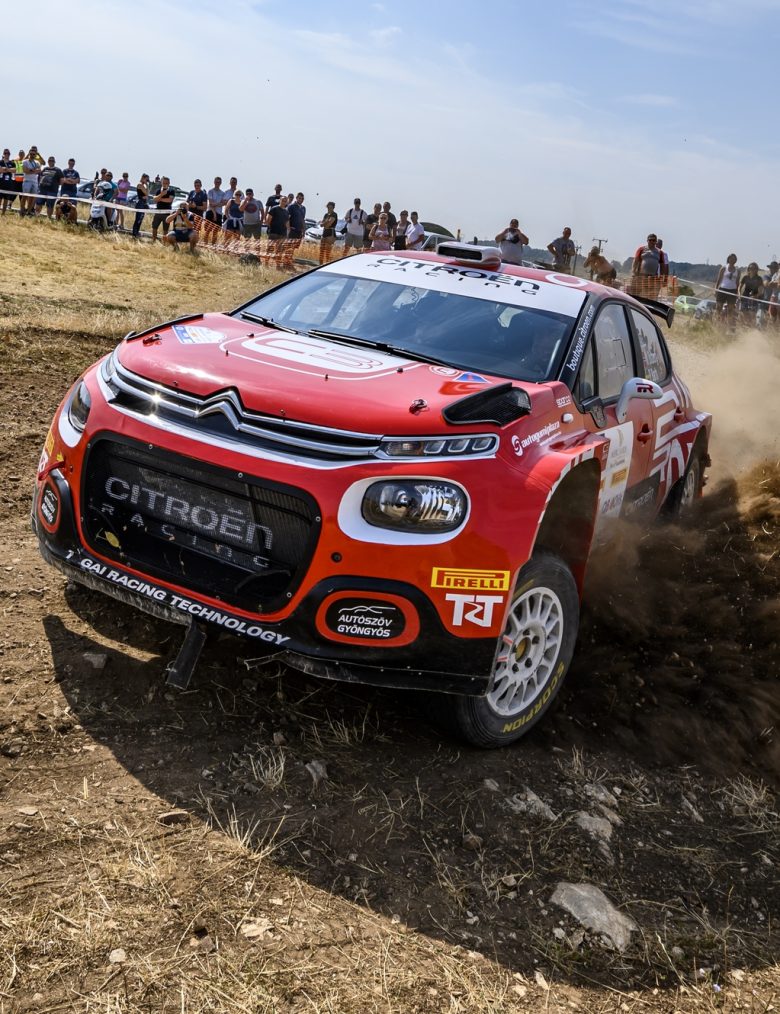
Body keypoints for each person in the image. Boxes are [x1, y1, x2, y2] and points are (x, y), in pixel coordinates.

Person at [631, 233, 663, 299]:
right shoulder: (641, 249)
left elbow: (662, 265)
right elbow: (635, 261)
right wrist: (633, 273)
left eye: (653, 240)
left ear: (656, 242)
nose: (651, 241)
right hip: (641, 276)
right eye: (650, 240)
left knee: (649, 296)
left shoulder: (660, 252)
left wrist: (662, 277)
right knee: (637, 295)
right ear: (647, 240)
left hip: (652, 277)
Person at [714, 254, 740, 323]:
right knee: (718, 307)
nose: (732, 260)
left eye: (734, 259)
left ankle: (729, 324)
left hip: (732, 290)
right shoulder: (723, 268)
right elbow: (718, 280)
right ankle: (716, 322)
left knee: (730, 309)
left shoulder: (738, 270)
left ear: (735, 260)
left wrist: (737, 293)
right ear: (728, 259)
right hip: (723, 289)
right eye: (731, 258)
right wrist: (716, 290)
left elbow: (737, 283)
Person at [266, 194, 290, 265]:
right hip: (273, 232)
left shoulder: (286, 211)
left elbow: (287, 223)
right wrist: (270, 228)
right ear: (279, 201)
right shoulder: (274, 208)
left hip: (282, 234)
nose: (284, 202)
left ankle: (278, 265)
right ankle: (266, 263)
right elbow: (268, 220)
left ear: (286, 202)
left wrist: (288, 232)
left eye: (285, 201)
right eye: (282, 200)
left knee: (280, 250)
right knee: (270, 248)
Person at [152, 176, 174, 241]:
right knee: (154, 227)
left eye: (166, 183)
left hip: (166, 213)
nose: (165, 184)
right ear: (161, 183)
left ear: (169, 183)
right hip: (158, 212)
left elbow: (170, 200)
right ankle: (153, 241)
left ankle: (164, 243)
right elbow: (155, 199)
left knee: (165, 229)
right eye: (163, 183)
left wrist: (160, 199)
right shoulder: (158, 190)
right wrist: (161, 195)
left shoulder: (171, 191)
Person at [286, 192, 306, 264]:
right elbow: (287, 218)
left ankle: (289, 259)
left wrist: (304, 231)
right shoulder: (291, 206)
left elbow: (302, 220)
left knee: (294, 247)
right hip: (292, 230)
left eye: (302, 198)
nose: (301, 200)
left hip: (299, 231)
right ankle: (286, 261)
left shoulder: (303, 208)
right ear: (296, 198)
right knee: (288, 246)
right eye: (299, 198)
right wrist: (288, 229)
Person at [20, 149, 41, 217]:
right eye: (31, 154)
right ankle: (22, 210)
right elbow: (25, 170)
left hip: (35, 182)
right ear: (29, 154)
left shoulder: (37, 162)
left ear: (35, 155)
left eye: (33, 154)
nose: (32, 155)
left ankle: (28, 212)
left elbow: (39, 170)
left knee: (32, 198)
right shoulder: (24, 161)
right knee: (24, 196)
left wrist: (31, 170)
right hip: (27, 181)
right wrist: (34, 170)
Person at [132, 173, 150, 238]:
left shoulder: (143, 185)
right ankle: (134, 233)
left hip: (143, 203)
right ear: (143, 178)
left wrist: (146, 186)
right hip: (140, 203)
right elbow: (147, 193)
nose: (147, 181)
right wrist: (147, 185)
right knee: (138, 219)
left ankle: (137, 232)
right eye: (146, 179)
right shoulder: (140, 185)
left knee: (141, 219)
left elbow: (147, 194)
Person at [0, 149, 16, 214]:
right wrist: (8, 170)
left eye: (8, 153)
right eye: (5, 153)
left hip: (8, 183)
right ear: (3, 154)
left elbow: (14, 170)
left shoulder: (12, 163)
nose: (7, 154)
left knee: (6, 199)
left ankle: (3, 213)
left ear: (9, 154)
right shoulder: (1, 162)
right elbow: (0, 170)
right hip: (1, 182)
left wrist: (6, 169)